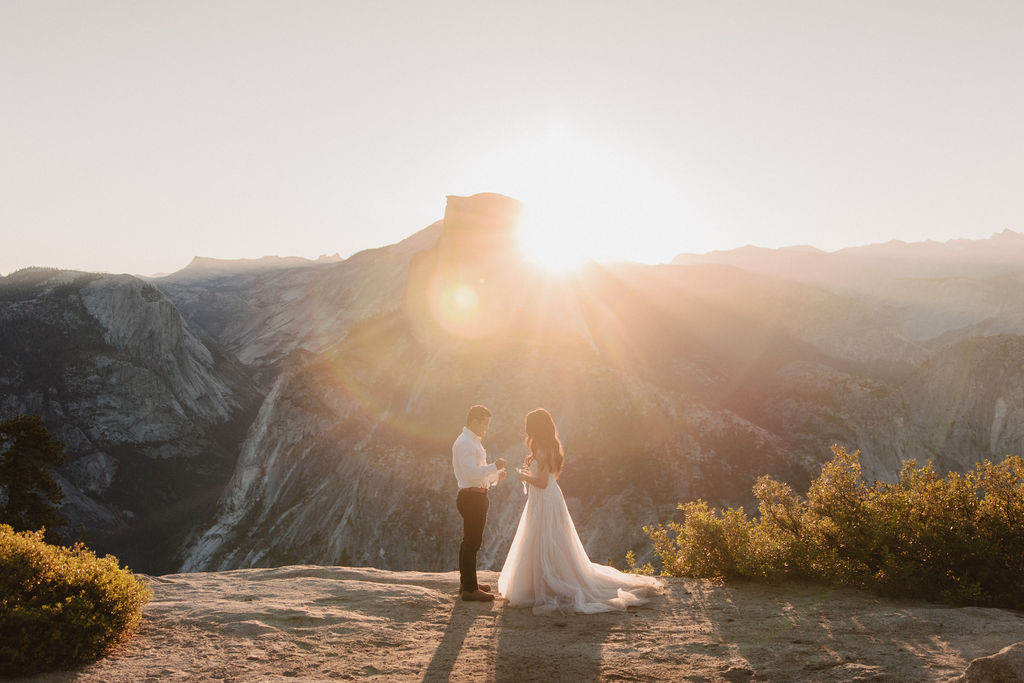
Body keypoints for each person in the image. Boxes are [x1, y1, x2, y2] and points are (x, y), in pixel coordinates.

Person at [498, 408, 662, 614]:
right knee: (551, 538)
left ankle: (541, 583)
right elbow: (549, 477)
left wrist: (523, 477)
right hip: (551, 496)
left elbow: (540, 482)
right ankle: (545, 579)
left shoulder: (540, 448)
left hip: (543, 498)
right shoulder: (551, 446)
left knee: (542, 536)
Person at [453, 404, 507, 602]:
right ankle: (469, 588)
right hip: (472, 498)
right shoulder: (467, 443)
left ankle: (467, 582)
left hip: (474, 495)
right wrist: (495, 466)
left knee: (469, 541)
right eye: (485, 423)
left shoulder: (471, 442)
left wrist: (495, 476)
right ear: (474, 421)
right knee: (472, 542)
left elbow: (479, 474)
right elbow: (471, 473)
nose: (486, 428)